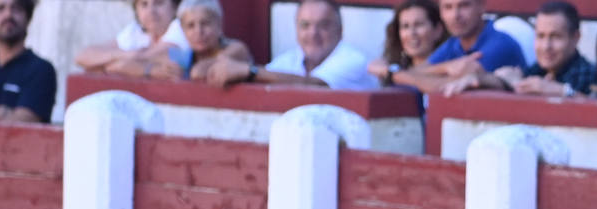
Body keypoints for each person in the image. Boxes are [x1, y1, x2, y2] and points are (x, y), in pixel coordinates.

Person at [205, 0, 377, 89]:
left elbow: (317, 86)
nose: (313, 33)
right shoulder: (289, 59)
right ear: (295, 29)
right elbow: (265, 78)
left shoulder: (354, 59)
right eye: (305, 25)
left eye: (323, 25)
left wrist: (248, 70)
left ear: (340, 31)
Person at [440, 1, 597, 97]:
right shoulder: (538, 70)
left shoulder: (591, 74)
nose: (546, 46)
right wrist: (478, 79)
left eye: (555, 37)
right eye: (540, 36)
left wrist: (562, 92)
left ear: (575, 38)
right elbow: (510, 82)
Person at [392, 0, 527, 96]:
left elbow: (449, 87)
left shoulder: (500, 44)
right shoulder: (454, 43)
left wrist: (392, 74)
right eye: (448, 7)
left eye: (463, 5)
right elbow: (418, 70)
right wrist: (447, 67)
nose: (455, 15)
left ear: (482, 5)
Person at [104, 0, 251, 81]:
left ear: (219, 25)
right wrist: (151, 70)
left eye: (205, 24)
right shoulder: (184, 54)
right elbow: (117, 66)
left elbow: (198, 72)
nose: (198, 32)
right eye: (190, 26)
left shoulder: (236, 48)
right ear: (182, 30)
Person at [74, 0, 186, 73]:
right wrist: (125, 55)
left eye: (158, 3)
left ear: (175, 7)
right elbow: (82, 57)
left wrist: (106, 63)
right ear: (136, 10)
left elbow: (157, 56)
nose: (151, 11)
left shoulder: (181, 27)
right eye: (144, 4)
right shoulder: (135, 31)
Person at [368, 0, 445, 89]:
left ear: (438, 30)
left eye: (419, 25)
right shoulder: (389, 66)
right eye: (405, 26)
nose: (411, 33)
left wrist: (390, 73)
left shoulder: (453, 66)